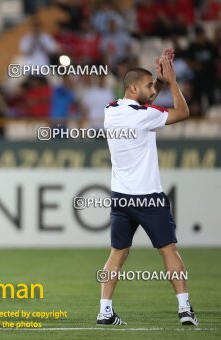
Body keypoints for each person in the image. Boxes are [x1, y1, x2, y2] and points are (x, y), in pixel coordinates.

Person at [97, 48, 198, 326]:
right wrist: (173, 81)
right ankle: (185, 310)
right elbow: (183, 112)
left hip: (121, 197)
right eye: (149, 85)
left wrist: (159, 81)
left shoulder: (110, 110)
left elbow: (144, 103)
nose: (154, 89)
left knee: (118, 253)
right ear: (132, 88)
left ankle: (105, 310)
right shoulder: (145, 116)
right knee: (169, 251)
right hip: (149, 197)